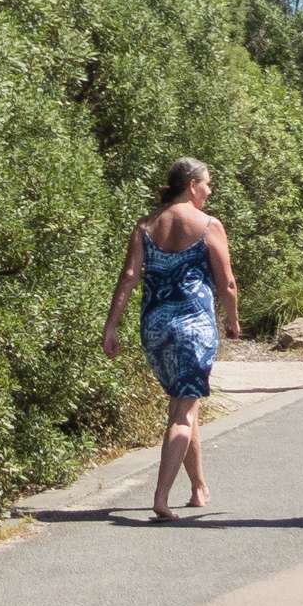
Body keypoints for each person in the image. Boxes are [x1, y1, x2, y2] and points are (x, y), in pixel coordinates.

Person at [101, 157, 240, 519]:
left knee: (183, 402)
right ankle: (160, 498)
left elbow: (130, 275)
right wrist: (233, 321)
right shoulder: (209, 225)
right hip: (193, 330)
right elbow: (226, 282)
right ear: (192, 185)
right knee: (183, 411)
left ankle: (198, 487)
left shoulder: (146, 226)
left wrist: (111, 325)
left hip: (155, 329)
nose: (210, 191)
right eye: (207, 184)